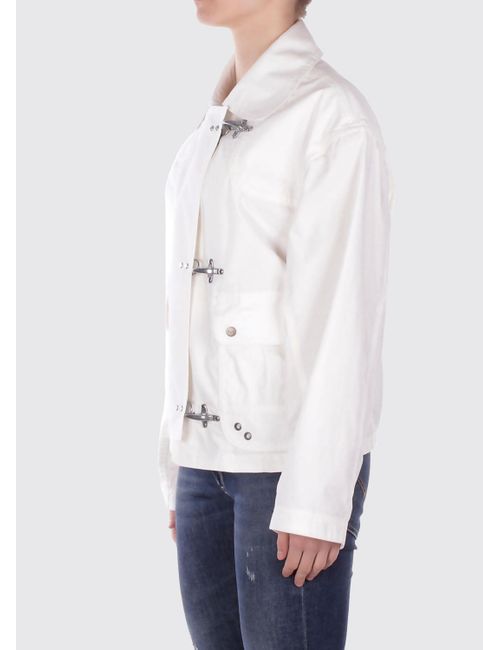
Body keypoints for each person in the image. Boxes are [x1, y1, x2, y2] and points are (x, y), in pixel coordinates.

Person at [158, 1, 393, 648]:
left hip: (286, 470)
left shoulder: (331, 117)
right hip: (203, 464)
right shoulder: (210, 130)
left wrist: (318, 496)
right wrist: (177, 462)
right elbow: (187, 308)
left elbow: (346, 313)